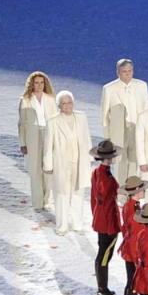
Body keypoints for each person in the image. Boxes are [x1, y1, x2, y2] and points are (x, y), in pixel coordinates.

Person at [47, 92, 93, 234]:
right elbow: (48, 145)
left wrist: (90, 157)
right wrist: (48, 165)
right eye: (64, 103)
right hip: (62, 163)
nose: (67, 106)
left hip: (79, 162)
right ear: (59, 105)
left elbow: (86, 137)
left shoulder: (81, 117)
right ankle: (62, 226)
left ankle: (77, 224)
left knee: (78, 193)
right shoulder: (53, 121)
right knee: (62, 194)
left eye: (69, 102)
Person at [102, 61, 148, 184]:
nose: (128, 74)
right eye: (124, 72)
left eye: (130, 71)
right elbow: (105, 114)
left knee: (135, 159)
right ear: (118, 72)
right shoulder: (109, 89)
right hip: (119, 130)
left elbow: (146, 108)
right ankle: (121, 190)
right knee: (120, 161)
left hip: (137, 128)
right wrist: (107, 136)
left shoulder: (142, 86)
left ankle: (132, 188)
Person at [19, 72, 59, 216]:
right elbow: (22, 124)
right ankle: (37, 202)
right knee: (35, 170)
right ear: (32, 84)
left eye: (42, 82)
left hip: (48, 135)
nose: (39, 85)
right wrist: (23, 143)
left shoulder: (50, 99)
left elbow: (56, 121)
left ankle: (48, 201)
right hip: (32, 137)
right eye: (36, 82)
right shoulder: (25, 100)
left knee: (48, 169)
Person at [90, 140, 123, 295]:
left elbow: (94, 200)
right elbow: (105, 198)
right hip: (108, 222)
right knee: (104, 256)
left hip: (101, 219)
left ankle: (103, 289)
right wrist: (112, 226)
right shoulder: (105, 176)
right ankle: (102, 290)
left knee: (103, 255)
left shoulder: (98, 172)